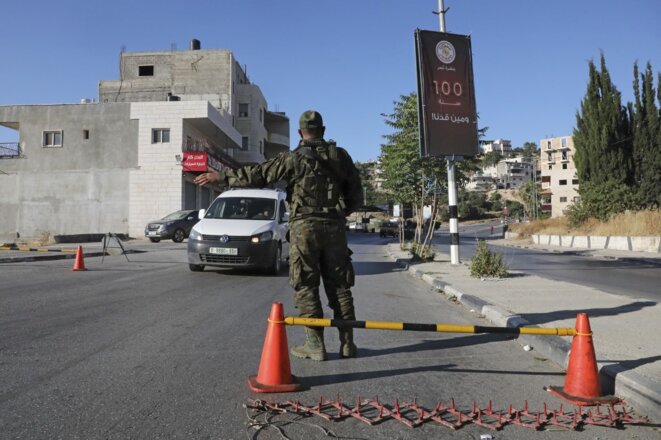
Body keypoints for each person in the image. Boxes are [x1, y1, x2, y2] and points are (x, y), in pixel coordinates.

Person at [194, 110, 362, 360]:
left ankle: (315, 346)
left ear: (299, 133)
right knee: (339, 286)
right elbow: (356, 195)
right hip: (334, 227)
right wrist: (337, 214)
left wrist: (223, 176)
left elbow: (259, 175)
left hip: (304, 228)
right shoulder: (341, 156)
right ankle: (347, 344)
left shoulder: (291, 159)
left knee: (306, 284)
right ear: (323, 131)